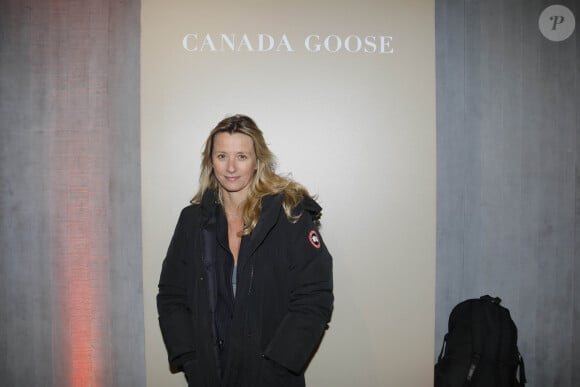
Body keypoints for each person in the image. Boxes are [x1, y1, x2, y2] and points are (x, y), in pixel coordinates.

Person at [157, 114, 334, 387]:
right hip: (210, 375)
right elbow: (172, 295)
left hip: (271, 377)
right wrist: (190, 357)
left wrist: (279, 365)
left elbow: (314, 297)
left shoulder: (289, 215)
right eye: (221, 156)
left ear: (257, 161)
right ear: (210, 161)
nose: (230, 167)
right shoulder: (192, 221)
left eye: (241, 156)